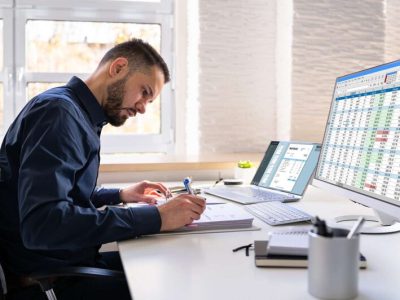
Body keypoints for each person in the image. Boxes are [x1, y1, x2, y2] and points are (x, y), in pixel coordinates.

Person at [0, 38, 206, 299]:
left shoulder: (76, 113)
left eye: (149, 101)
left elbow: (59, 192)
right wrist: (157, 218)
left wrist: (120, 195)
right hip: (51, 283)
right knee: (182, 286)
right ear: (118, 67)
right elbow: (43, 223)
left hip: (68, 266)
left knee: (178, 263)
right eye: (144, 92)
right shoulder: (59, 115)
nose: (143, 108)